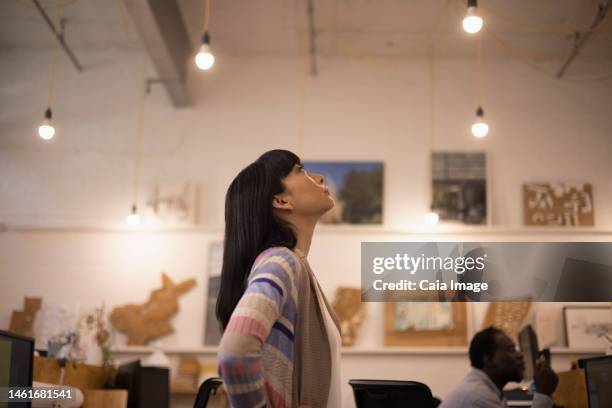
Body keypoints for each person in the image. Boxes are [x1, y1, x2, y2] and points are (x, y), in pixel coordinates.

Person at [216, 149, 342, 408]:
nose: (318, 177)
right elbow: (235, 354)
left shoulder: (297, 267)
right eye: (301, 171)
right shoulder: (280, 261)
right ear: (282, 201)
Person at [439, 326, 559, 408]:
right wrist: (543, 394)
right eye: (511, 350)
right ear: (489, 359)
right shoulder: (479, 397)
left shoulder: (486, 390)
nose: (520, 355)